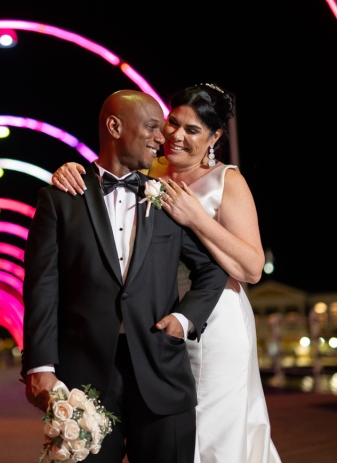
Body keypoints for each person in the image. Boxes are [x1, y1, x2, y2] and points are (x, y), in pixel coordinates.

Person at [53, 83, 281, 463]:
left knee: (209, 430)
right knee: (171, 431)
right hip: (158, 323)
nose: (175, 135)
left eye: (192, 130)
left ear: (214, 137)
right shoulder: (151, 171)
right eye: (173, 123)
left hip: (215, 320)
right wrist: (71, 170)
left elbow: (252, 268)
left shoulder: (227, 181)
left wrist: (195, 218)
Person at [22, 89, 229, 463]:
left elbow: (212, 269)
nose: (161, 138)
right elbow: (42, 287)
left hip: (161, 371)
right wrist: (40, 366)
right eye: (152, 127)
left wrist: (185, 319)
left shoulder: (168, 198)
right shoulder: (60, 198)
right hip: (83, 380)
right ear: (115, 126)